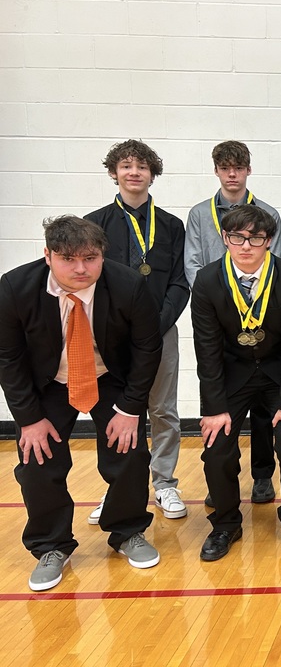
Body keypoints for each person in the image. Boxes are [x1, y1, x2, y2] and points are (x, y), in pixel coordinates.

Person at [0, 216, 163, 591]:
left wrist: (130, 409)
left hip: (110, 378)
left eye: (90, 258)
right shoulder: (15, 288)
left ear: (102, 256)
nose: (80, 268)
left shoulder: (128, 286)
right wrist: (28, 419)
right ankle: (51, 546)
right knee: (36, 459)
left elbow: (146, 350)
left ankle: (127, 532)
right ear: (47, 256)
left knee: (129, 452)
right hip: (50, 382)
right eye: (68, 259)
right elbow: (9, 358)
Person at [191, 206, 281, 561]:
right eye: (237, 238)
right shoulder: (207, 281)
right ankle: (225, 525)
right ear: (225, 239)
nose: (246, 246)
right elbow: (207, 351)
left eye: (255, 238)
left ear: (269, 241)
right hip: (232, 374)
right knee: (216, 448)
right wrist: (214, 409)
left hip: (280, 373)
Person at [84, 140, 190, 521]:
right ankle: (119, 490)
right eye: (126, 166)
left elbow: (180, 283)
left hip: (160, 332)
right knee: (114, 412)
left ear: (151, 174)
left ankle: (164, 484)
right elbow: (87, 281)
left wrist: (155, 326)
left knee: (163, 409)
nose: (134, 172)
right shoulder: (93, 224)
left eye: (142, 166)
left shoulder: (172, 225)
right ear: (114, 173)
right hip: (110, 337)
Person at [185, 140, 281, 506]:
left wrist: (257, 304)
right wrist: (222, 300)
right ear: (216, 170)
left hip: (262, 321)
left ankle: (262, 477)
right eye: (225, 167)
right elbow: (193, 265)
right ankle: (221, 485)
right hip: (222, 319)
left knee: (264, 413)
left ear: (248, 170)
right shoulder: (200, 214)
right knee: (223, 409)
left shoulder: (269, 213)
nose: (232, 173)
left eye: (238, 167)